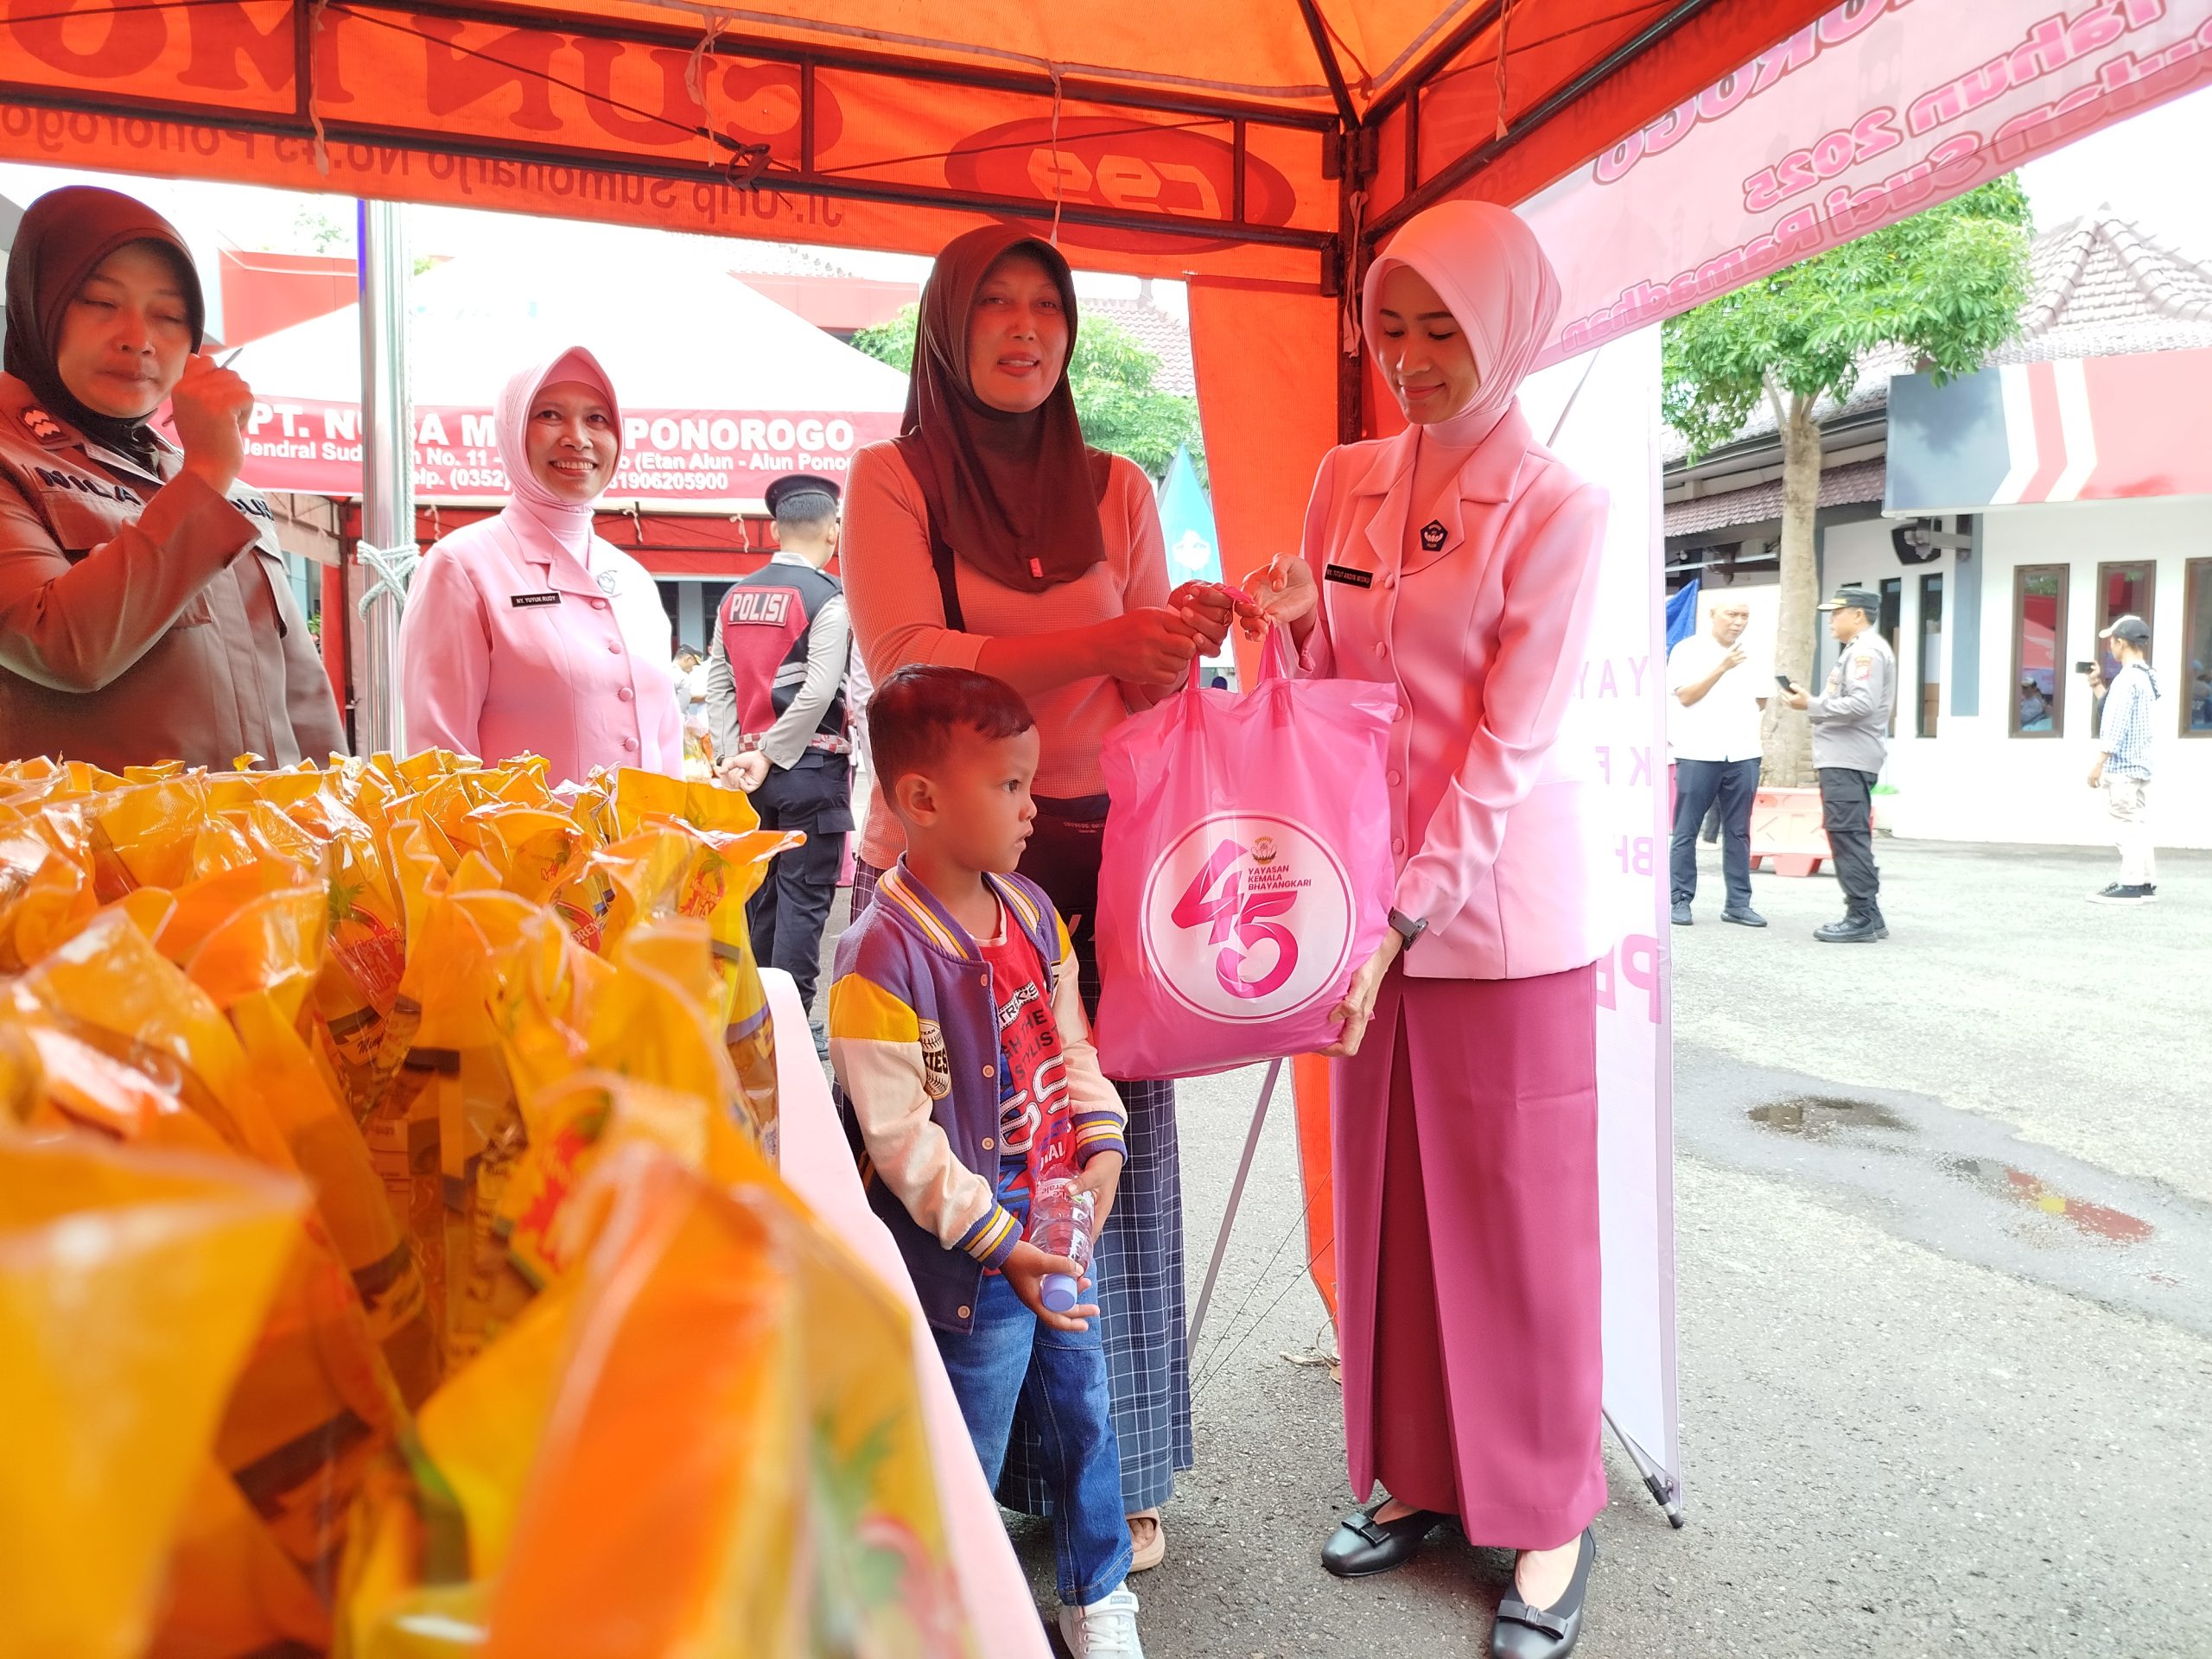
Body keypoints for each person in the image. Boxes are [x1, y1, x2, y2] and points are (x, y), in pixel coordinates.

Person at [1237, 200, 1608, 1659]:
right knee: (1388, 1211)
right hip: (1368, 915)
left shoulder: (1560, 507)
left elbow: (1505, 750)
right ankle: (1426, 1480)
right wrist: (1280, 628)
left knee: (1515, 1231)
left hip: (1494, 928)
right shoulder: (1346, 481)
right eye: (1392, 328)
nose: (1411, 357)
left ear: (1507, 323)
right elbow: (1335, 687)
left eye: (1441, 327)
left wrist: (1402, 907)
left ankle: (1548, 1515)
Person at [842, 224, 1234, 1571]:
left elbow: (1141, 696)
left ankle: (1113, 1471)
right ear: (947, 329)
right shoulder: (891, 479)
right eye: (994, 305)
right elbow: (906, 660)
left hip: (1092, 857)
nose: (1024, 328)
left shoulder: (1120, 487)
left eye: (1045, 307)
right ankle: (957, 1472)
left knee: (1103, 1153)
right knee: (948, 1167)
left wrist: (1178, 644)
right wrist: (1104, 639)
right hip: (948, 874)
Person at [827, 664, 1141, 1658]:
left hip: (1055, 1214)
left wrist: (1102, 1137)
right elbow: (898, 1139)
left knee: (1085, 1409)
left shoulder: (1036, 914)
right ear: (919, 799)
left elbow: (1069, 1045)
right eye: (1009, 785)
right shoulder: (879, 956)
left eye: (1029, 781)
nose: (1030, 804)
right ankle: (955, 1621)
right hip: (975, 1253)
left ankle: (1098, 1597)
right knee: (968, 1443)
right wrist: (999, 1240)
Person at [1, 186, 346, 772]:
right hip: (95, 861)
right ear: (39, 307)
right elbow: (59, 645)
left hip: (264, 854)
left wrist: (339, 831)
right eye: (99, 303)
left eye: (169, 315)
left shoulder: (220, 486)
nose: (139, 337)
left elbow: (301, 700)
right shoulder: (16, 459)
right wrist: (207, 475)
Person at [399, 346, 681, 785]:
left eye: (597, 419)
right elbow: (439, 759)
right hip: (517, 853)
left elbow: (667, 746)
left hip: (643, 849)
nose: (578, 438)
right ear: (512, 430)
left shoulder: (634, 581)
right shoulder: (463, 566)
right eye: (550, 415)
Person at [707, 472, 854, 1049]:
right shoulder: (828, 601)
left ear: (776, 528)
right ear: (832, 529)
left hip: (749, 777)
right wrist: (770, 754)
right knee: (803, 897)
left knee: (760, 894)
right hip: (810, 772)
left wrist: (733, 754)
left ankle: (754, 1014)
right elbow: (818, 693)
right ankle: (791, 1020)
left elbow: (717, 680)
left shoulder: (735, 596)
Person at [1782, 587, 1897, 943]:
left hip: (1848, 758)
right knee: (1849, 833)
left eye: (1836, 613)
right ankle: (1870, 915)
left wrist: (1812, 706)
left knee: (1848, 835)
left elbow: (1861, 705)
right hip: (1844, 756)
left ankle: (1860, 915)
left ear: (1857, 614)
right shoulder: (1859, 650)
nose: (1831, 620)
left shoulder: (1866, 652)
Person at [1666, 598, 1767, 927]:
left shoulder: (1755, 651)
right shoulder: (1687, 650)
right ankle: (1679, 899)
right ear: (1712, 615)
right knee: (1686, 831)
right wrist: (1722, 668)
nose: (1739, 621)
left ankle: (1739, 903)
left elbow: (1762, 699)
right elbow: (1686, 696)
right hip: (1698, 752)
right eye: (1732, 614)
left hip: (1743, 753)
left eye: (1745, 615)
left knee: (1738, 832)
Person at [2084, 613, 2159, 905]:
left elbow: (2115, 723)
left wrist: (2099, 762)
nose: (2111, 647)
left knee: (2125, 824)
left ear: (2121, 642)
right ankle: (2144, 883)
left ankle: (2130, 885)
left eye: (2112, 641)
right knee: (2138, 824)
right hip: (2141, 765)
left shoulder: (2127, 678)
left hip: (2123, 767)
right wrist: (2096, 685)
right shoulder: (2146, 676)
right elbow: (2116, 710)